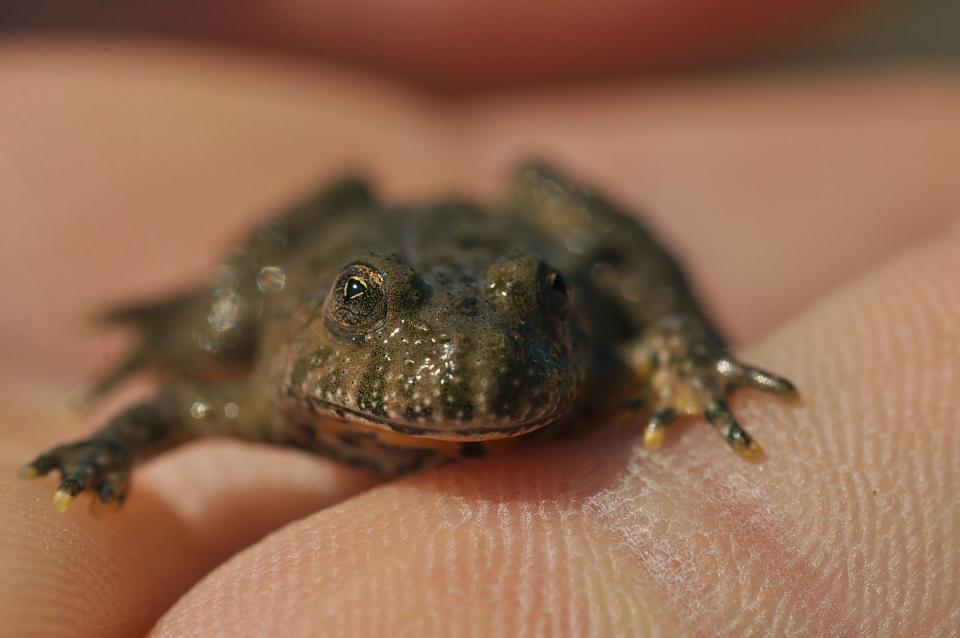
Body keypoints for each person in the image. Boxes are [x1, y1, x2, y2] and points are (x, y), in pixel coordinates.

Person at [0, 2, 957, 635]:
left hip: (497, 235)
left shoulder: (590, 357)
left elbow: (620, 287)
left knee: (552, 221)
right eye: (366, 313)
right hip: (360, 237)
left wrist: (688, 348)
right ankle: (255, 307)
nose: (460, 373)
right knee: (213, 326)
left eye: (535, 308)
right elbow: (175, 415)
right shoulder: (272, 391)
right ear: (335, 318)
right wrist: (100, 458)